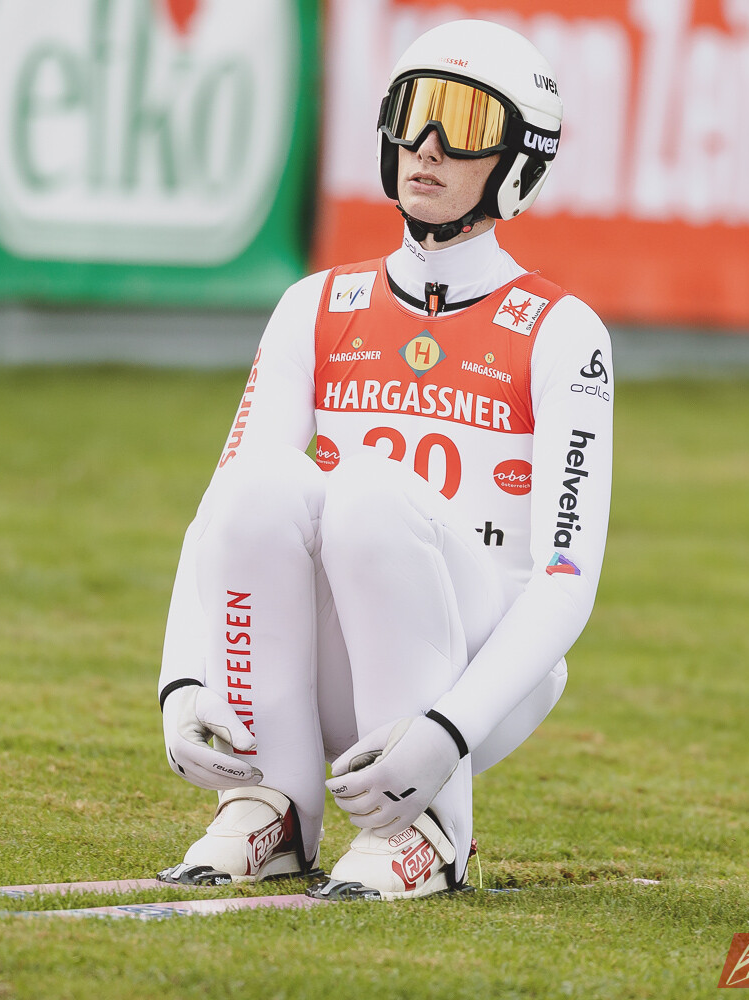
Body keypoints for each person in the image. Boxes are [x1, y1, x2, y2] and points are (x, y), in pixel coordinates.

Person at [155, 19, 614, 901]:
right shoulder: (314, 304)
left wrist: (449, 729)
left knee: (366, 491)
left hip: (482, 672)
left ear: (520, 160)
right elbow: (222, 513)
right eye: (412, 112)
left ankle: (430, 829)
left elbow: (566, 578)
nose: (427, 145)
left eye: (464, 123)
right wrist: (180, 683)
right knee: (260, 483)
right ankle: (271, 804)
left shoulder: (563, 332)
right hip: (333, 658)